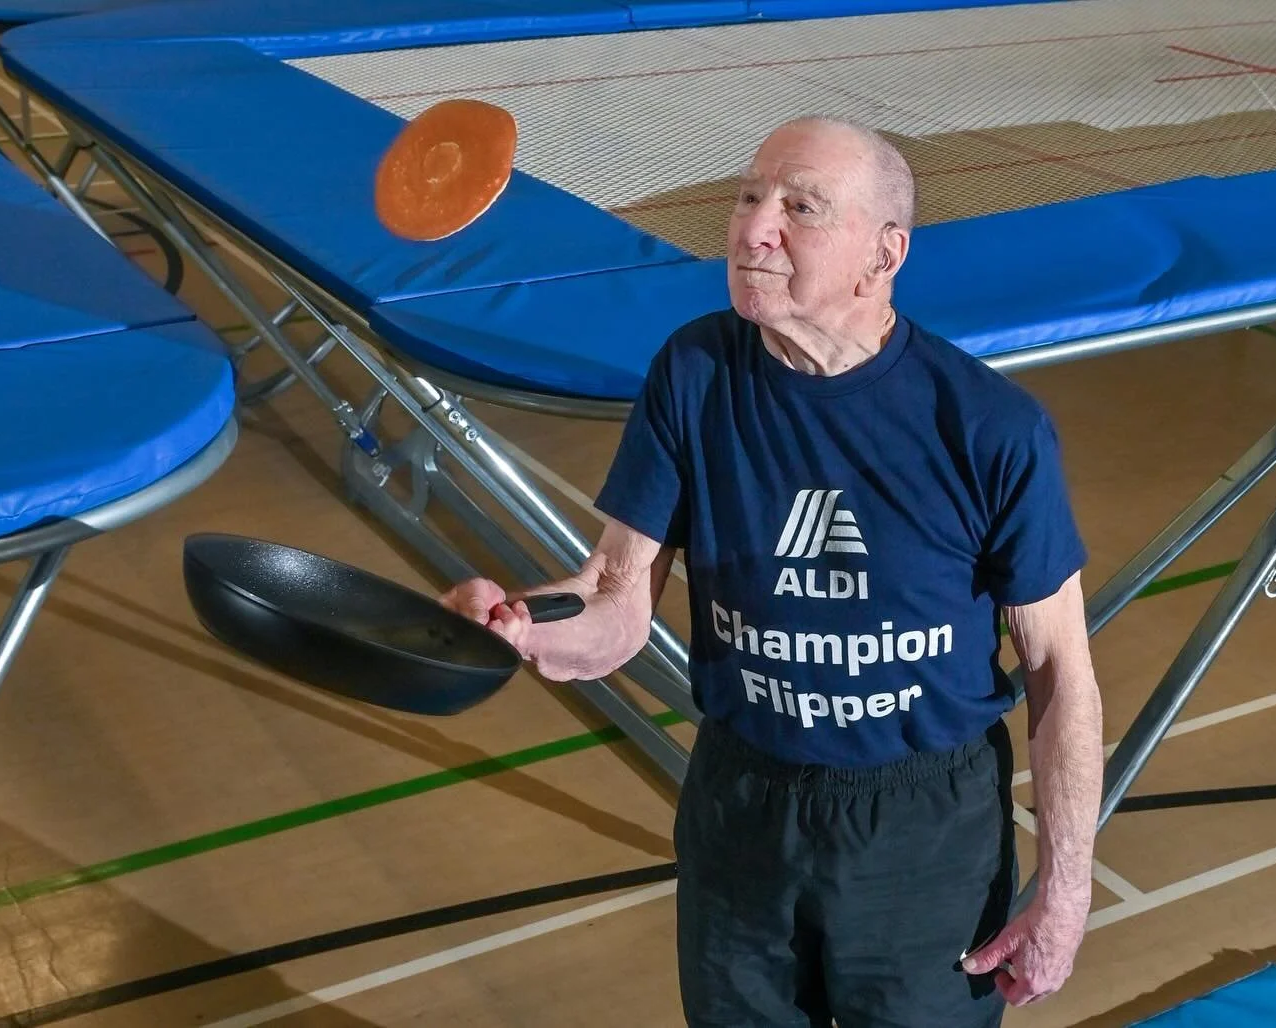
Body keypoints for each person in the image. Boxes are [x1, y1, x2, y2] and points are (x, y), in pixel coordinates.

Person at [441, 115, 1105, 1027]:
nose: (756, 227)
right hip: (742, 807)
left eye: (801, 206)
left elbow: (1061, 673)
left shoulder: (989, 428)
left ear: (885, 253)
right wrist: (520, 622)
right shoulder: (695, 372)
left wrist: (1065, 891)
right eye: (751, 197)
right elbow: (612, 600)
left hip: (919, 831)